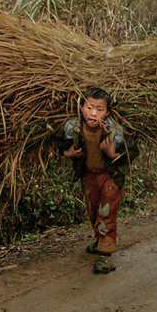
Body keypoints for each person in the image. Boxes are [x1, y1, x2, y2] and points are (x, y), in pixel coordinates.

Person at [56, 87, 133, 274]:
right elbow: (58, 143)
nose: (93, 113)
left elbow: (131, 152)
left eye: (99, 109)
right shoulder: (72, 127)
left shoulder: (114, 130)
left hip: (110, 176)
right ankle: (100, 239)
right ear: (81, 107)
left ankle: (105, 255)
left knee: (105, 211)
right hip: (89, 175)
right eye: (89, 107)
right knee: (93, 210)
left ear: (107, 112)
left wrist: (113, 154)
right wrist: (68, 153)